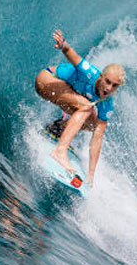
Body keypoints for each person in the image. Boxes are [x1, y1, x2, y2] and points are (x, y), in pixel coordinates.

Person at [34, 29, 125, 185]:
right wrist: (63, 44)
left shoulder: (107, 103)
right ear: (101, 76)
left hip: (64, 94)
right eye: (107, 82)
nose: (109, 88)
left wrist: (90, 175)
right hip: (47, 80)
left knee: (92, 124)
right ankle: (60, 151)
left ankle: (57, 128)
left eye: (115, 86)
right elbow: (70, 53)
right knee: (87, 106)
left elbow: (97, 139)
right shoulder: (89, 72)